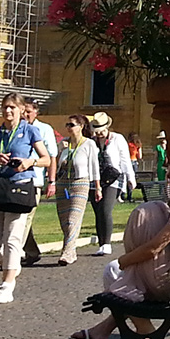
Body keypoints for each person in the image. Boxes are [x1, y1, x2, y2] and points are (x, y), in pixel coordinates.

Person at [57, 199, 170, 339]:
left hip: (169, 281)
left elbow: (154, 247)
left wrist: (125, 260)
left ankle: (145, 334)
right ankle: (105, 331)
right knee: (116, 273)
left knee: (115, 272)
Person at [0, 93, 53, 304]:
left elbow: (46, 159)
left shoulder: (31, 131)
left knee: (13, 237)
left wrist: (29, 162)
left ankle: (7, 284)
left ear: (21, 109)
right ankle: (12, 265)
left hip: (20, 188)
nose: (8, 111)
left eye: (12, 107)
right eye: (5, 107)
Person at [86, 112, 136, 255]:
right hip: (96, 178)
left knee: (105, 209)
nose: (99, 134)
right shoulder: (92, 141)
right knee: (98, 211)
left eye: (102, 130)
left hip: (114, 177)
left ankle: (107, 243)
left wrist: (130, 178)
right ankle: (101, 243)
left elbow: (125, 159)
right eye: (97, 131)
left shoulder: (117, 139)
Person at [17, 99, 60, 264]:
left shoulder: (44, 129)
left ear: (36, 112)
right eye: (24, 111)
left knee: (26, 217)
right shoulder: (16, 127)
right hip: (15, 179)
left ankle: (15, 251)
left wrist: (52, 181)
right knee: (19, 216)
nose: (26, 114)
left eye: (29, 111)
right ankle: (31, 251)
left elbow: (52, 156)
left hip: (34, 179)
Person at [53, 114, 99, 265]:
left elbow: (94, 166)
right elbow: (57, 164)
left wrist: (97, 187)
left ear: (81, 127)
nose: (68, 128)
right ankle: (71, 250)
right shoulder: (64, 144)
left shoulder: (89, 144)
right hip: (63, 184)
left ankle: (67, 252)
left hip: (80, 183)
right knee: (64, 221)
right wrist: (61, 151)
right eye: (67, 125)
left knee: (73, 219)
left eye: (71, 125)